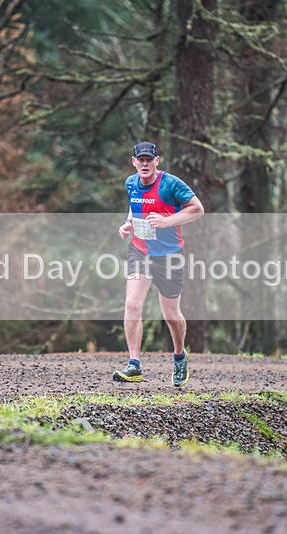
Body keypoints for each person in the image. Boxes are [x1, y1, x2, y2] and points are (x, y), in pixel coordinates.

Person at [113, 141, 204, 387]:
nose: (144, 164)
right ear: (134, 162)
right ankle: (134, 365)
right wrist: (127, 224)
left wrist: (167, 221)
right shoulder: (131, 183)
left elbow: (197, 209)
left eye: (148, 159)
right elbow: (135, 208)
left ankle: (178, 356)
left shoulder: (171, 183)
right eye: (139, 160)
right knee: (132, 304)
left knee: (171, 315)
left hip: (169, 255)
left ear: (156, 161)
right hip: (140, 251)